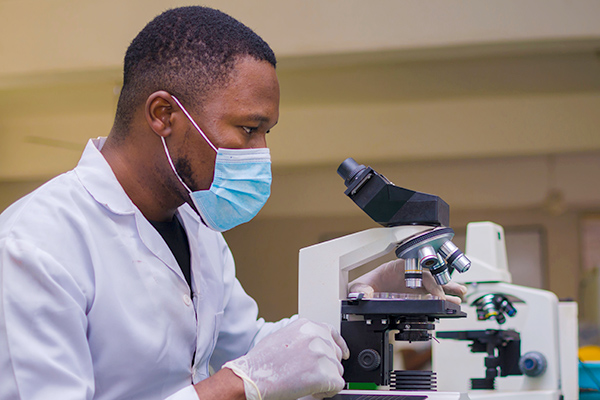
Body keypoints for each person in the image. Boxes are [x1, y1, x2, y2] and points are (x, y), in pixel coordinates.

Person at [0, 6, 465, 400]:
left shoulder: (196, 224)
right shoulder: (36, 245)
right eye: (248, 129)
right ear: (164, 115)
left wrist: (361, 301)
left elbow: (254, 350)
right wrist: (236, 386)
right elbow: (246, 374)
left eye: (266, 133)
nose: (261, 153)